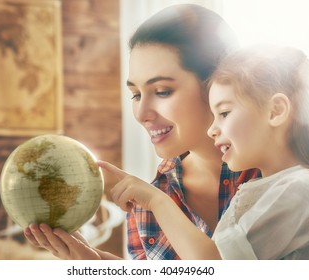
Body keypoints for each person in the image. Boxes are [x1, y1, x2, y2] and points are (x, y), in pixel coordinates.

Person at [23, 4, 259, 260]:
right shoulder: (149, 202)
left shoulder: (276, 172)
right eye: (135, 94)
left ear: (217, 84)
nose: (141, 113)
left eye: (162, 91)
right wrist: (95, 263)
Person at [105, 44, 309, 259]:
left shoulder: (301, 190)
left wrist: (157, 201)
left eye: (225, 113)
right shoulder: (264, 189)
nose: (212, 130)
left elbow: (214, 265)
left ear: (276, 111)